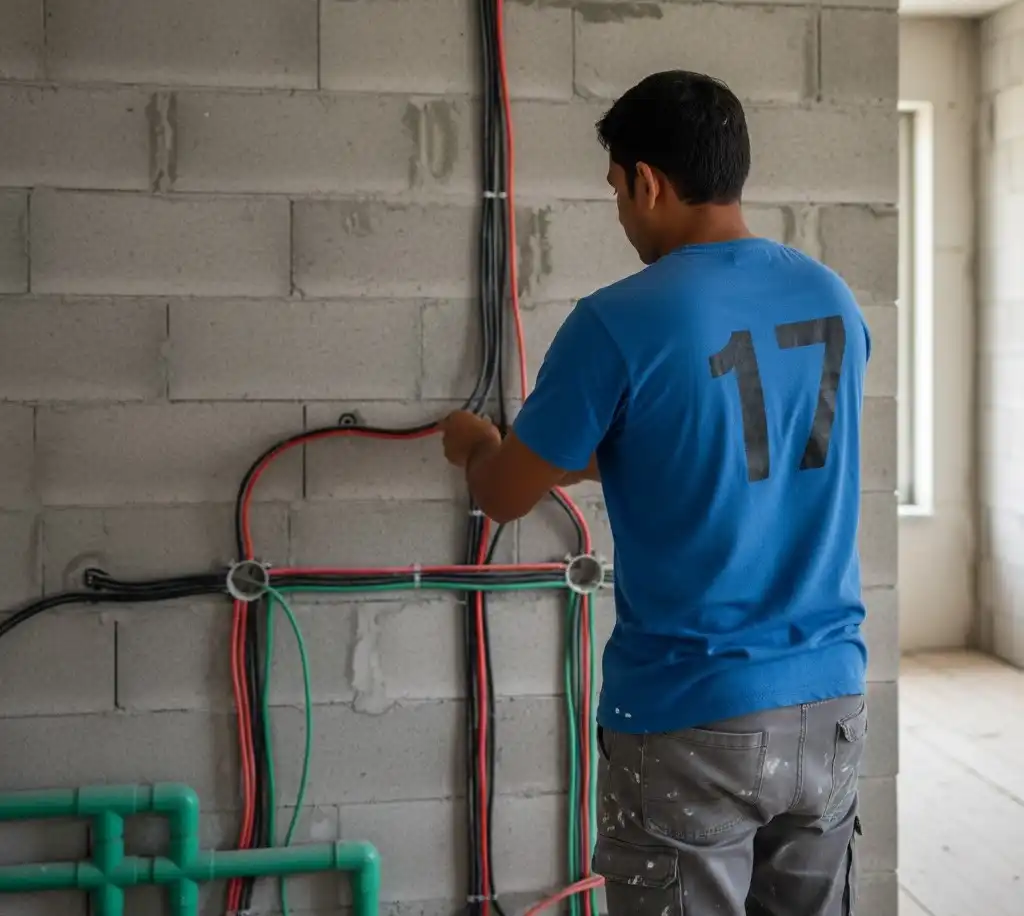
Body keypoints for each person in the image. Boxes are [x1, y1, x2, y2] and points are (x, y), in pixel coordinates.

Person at [439, 69, 870, 916]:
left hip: (693, 714)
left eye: (616, 191)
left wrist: (478, 447)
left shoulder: (620, 319)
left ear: (646, 181)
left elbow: (505, 495)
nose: (622, 213)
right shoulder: (830, 297)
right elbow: (740, 451)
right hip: (831, 705)